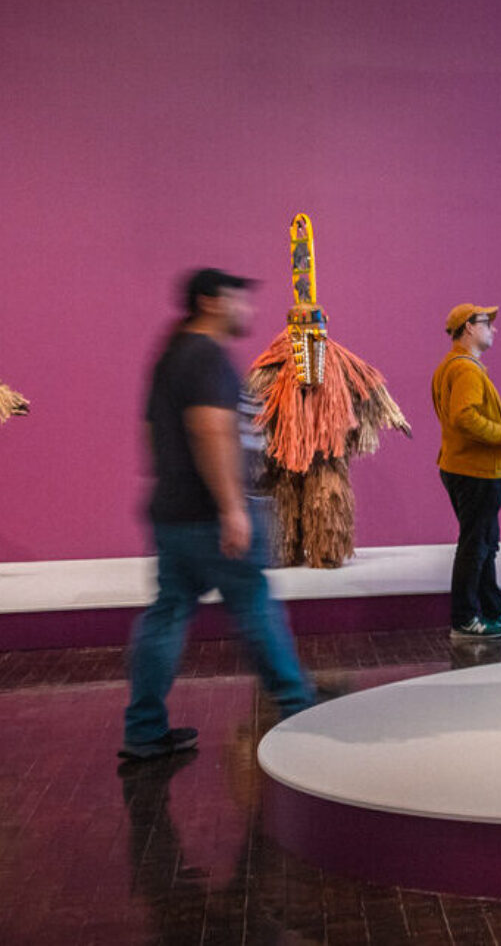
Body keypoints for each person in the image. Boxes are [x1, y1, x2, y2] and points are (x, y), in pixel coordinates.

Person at [122, 268, 316, 761]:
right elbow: (211, 432)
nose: (246, 309)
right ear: (211, 302)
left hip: (174, 514)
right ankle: (300, 712)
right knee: (254, 604)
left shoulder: (171, 356)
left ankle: (144, 729)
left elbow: (153, 434)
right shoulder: (206, 357)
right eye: (238, 299)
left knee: (168, 614)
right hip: (212, 517)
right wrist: (232, 508)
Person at [432, 303, 501, 640]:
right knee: (476, 544)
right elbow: (464, 417)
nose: (493, 329)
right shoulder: (466, 370)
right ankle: (466, 618)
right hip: (476, 470)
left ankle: (492, 608)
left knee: (484, 541)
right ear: (468, 327)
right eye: (487, 323)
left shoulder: (452, 366)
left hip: (465, 467)